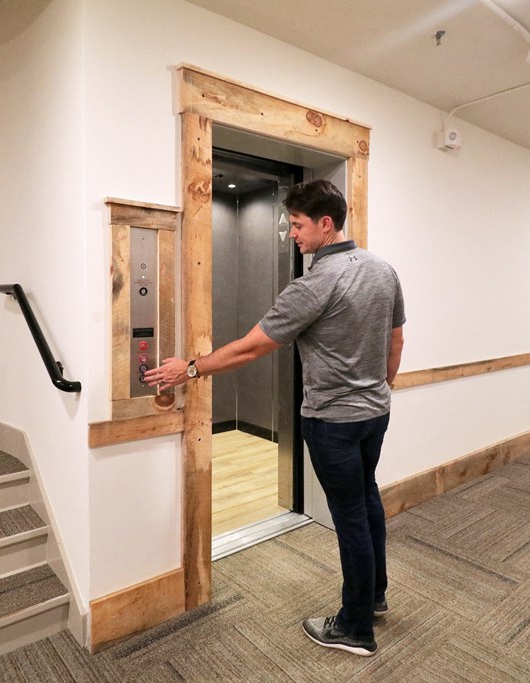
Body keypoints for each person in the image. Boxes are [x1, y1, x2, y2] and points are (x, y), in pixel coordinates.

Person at [145, 178, 405, 657]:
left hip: (332, 422)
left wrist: (192, 368)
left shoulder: (314, 285)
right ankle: (374, 596)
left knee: (350, 517)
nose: (292, 234)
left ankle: (355, 628)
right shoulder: (382, 270)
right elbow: (396, 340)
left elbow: (251, 347)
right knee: (367, 501)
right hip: (374, 415)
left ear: (325, 224)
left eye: (298, 225)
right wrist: (378, 390)